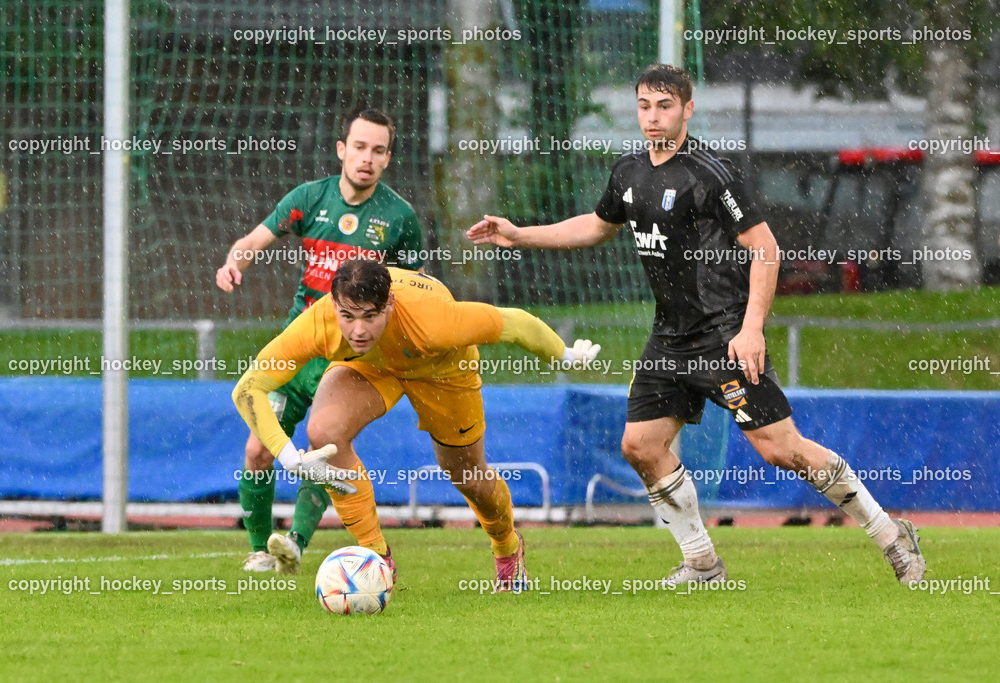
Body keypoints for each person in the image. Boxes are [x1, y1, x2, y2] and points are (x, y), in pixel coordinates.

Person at [466, 63, 925, 586]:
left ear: (688, 108)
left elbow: (766, 250)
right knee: (639, 445)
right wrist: (519, 234)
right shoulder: (628, 171)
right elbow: (596, 227)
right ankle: (702, 563)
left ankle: (890, 533)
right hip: (669, 338)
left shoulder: (712, 172)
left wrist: (751, 328)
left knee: (782, 450)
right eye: (644, 106)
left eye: (664, 106)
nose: (652, 117)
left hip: (724, 335)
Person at [232, 259, 601, 592]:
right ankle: (377, 560)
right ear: (334, 305)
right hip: (374, 367)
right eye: (347, 316)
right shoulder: (321, 320)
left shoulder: (434, 320)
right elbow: (248, 387)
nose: (357, 330)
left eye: (370, 316)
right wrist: (286, 453)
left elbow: (516, 323)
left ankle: (507, 545)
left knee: (467, 475)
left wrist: (565, 355)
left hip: (443, 373)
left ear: (389, 304)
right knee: (324, 432)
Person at [216, 108, 424, 574]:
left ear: (388, 159)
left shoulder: (399, 218)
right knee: (257, 449)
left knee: (325, 441)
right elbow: (254, 239)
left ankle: (294, 542)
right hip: (301, 345)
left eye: (378, 150)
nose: (366, 158)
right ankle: (258, 550)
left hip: (350, 355)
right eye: (359, 147)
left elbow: (416, 288)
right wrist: (235, 264)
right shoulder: (310, 199)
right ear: (341, 149)